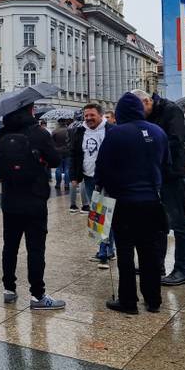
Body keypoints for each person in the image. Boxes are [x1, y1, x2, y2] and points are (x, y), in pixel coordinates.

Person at [95, 93, 169, 315]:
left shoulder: (116, 133)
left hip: (124, 202)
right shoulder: (158, 132)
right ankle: (153, 300)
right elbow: (166, 163)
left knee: (125, 252)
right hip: (151, 201)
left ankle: (128, 301)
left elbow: (102, 168)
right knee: (150, 251)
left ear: (120, 113)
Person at [0, 103, 63, 310]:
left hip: (10, 199)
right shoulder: (39, 133)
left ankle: (9, 289)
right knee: (35, 248)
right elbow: (56, 161)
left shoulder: (1, 134)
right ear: (30, 110)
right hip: (35, 198)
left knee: (10, 246)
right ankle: (38, 295)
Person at [132, 90, 185, 287]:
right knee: (159, 225)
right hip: (156, 176)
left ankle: (182, 269)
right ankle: (157, 264)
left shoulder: (171, 110)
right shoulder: (151, 113)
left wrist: (150, 145)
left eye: (141, 109)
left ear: (148, 101)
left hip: (172, 174)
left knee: (178, 224)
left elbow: (175, 140)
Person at [70, 104, 114, 265]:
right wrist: (74, 175)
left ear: (101, 115)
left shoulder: (110, 130)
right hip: (88, 177)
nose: (88, 118)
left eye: (91, 115)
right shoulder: (80, 131)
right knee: (97, 213)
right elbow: (74, 154)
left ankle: (105, 250)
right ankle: (104, 248)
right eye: (86, 115)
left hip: (108, 178)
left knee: (105, 213)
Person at [51, 119, 71, 192]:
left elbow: (51, 143)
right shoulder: (69, 131)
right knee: (67, 169)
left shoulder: (55, 131)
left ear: (59, 123)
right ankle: (66, 184)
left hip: (58, 152)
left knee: (58, 169)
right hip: (67, 152)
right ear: (65, 123)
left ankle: (58, 184)